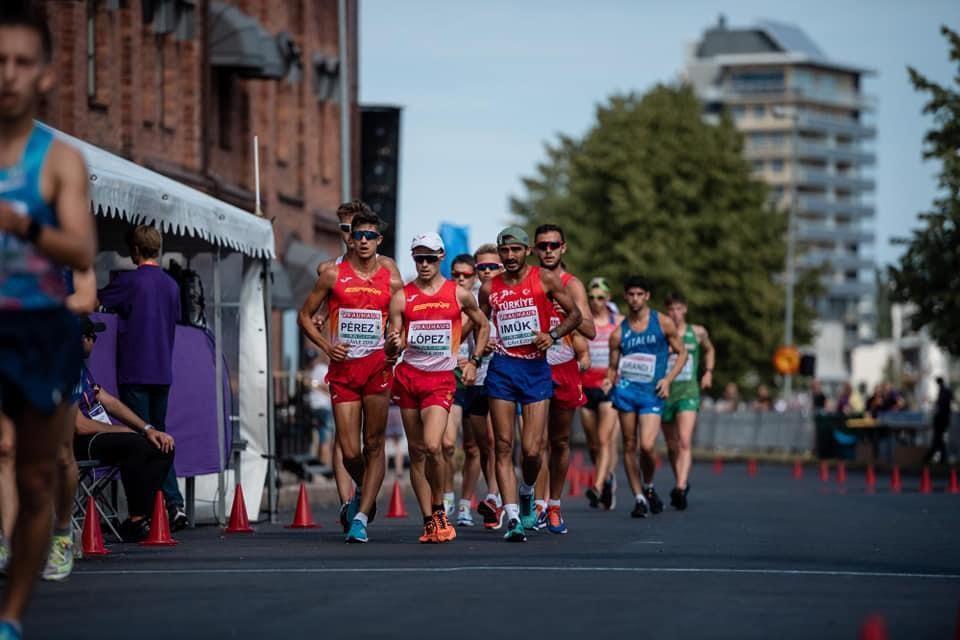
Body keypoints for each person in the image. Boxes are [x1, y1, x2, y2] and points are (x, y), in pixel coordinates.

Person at [0, 3, 98, 635]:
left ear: (46, 75)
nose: (6, 74)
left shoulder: (58, 160)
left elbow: (83, 254)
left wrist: (25, 225)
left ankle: (12, 615)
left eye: (21, 62)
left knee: (44, 471)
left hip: (40, 330)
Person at [297, 210, 402, 543]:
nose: (364, 241)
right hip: (343, 371)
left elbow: (400, 324)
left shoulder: (392, 280)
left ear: (379, 241)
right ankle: (363, 493)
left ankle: (361, 514)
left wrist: (395, 342)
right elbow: (304, 316)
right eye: (359, 236)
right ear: (351, 239)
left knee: (374, 444)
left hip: (377, 369)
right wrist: (327, 347)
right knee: (349, 450)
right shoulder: (332, 275)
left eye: (371, 236)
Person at [478, 226, 581, 541]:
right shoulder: (488, 288)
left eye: (516, 250)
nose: (510, 257)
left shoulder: (545, 279)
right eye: (504, 251)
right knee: (504, 445)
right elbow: (478, 322)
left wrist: (551, 335)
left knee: (534, 450)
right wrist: (480, 350)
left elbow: (575, 315)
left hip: (536, 370)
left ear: (527, 252)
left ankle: (526, 491)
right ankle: (512, 517)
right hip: (502, 370)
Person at [387, 233, 489, 543]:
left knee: (434, 446)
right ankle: (429, 519)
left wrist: (473, 360)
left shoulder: (458, 294)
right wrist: (394, 345)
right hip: (408, 378)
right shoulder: (402, 297)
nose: (425, 263)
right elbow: (394, 345)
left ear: (441, 257)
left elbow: (482, 325)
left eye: (430, 257)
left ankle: (440, 506)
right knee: (417, 452)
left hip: (440, 380)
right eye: (419, 258)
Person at [97, 224, 185, 530]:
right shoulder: (172, 285)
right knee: (161, 435)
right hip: (162, 369)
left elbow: (96, 302)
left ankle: (145, 510)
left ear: (135, 250)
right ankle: (173, 504)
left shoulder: (128, 282)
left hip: (135, 368)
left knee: (142, 437)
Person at [70, 317, 175, 541]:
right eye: (92, 337)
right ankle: (137, 519)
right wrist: (122, 432)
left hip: (97, 436)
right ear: (81, 339)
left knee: (162, 445)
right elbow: (80, 425)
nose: (94, 342)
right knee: (133, 445)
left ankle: (148, 513)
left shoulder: (80, 370)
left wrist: (148, 429)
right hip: (76, 442)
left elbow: (110, 402)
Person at [602, 276, 687, 518]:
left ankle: (648, 486)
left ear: (647, 296)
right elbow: (612, 366)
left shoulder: (662, 322)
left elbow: (682, 353)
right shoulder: (619, 333)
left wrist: (668, 379)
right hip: (627, 392)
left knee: (647, 445)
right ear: (626, 296)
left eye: (640, 294)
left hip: (652, 393)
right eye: (631, 294)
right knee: (629, 444)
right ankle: (638, 497)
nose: (635, 299)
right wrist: (609, 378)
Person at [530, 224, 595, 534]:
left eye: (553, 245)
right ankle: (536, 503)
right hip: (532, 368)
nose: (548, 251)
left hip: (564, 367)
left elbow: (591, 330)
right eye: (542, 245)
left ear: (563, 248)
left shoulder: (573, 284)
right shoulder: (527, 281)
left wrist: (567, 313)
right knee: (533, 444)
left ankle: (554, 505)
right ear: (534, 249)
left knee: (559, 441)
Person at [661, 292, 715, 511]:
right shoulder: (662, 332)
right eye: (671, 309)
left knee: (684, 441)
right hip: (665, 392)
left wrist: (708, 372)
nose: (675, 313)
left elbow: (710, 350)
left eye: (679, 309)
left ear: (685, 310)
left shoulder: (697, 332)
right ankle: (679, 480)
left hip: (688, 392)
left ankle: (681, 486)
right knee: (672, 445)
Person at [467, 245, 504, 530]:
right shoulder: (469, 300)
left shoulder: (510, 299)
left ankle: (495, 497)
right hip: (476, 379)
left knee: (496, 441)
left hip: (503, 378)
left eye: (493, 267)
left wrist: (497, 342)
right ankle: (498, 494)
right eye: (482, 268)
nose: (487, 272)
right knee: (483, 445)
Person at [581, 277, 622, 511]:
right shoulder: (585, 323)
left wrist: (615, 376)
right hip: (586, 387)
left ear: (608, 298)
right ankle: (607, 477)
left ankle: (597, 486)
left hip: (608, 388)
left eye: (601, 297)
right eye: (592, 297)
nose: (596, 302)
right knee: (594, 444)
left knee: (606, 439)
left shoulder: (618, 323)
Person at [306, 349, 333, 469]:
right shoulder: (311, 371)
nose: (311, 362)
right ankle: (320, 463)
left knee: (324, 435)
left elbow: (328, 388)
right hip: (315, 407)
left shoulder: (322, 369)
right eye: (309, 360)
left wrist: (314, 384)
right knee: (319, 435)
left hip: (323, 406)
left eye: (312, 359)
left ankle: (324, 464)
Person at [925, 377, 953, 464]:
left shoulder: (944, 391)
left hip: (941, 420)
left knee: (938, 440)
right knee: (939, 440)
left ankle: (931, 458)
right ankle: (941, 458)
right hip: (942, 419)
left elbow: (941, 405)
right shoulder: (945, 391)